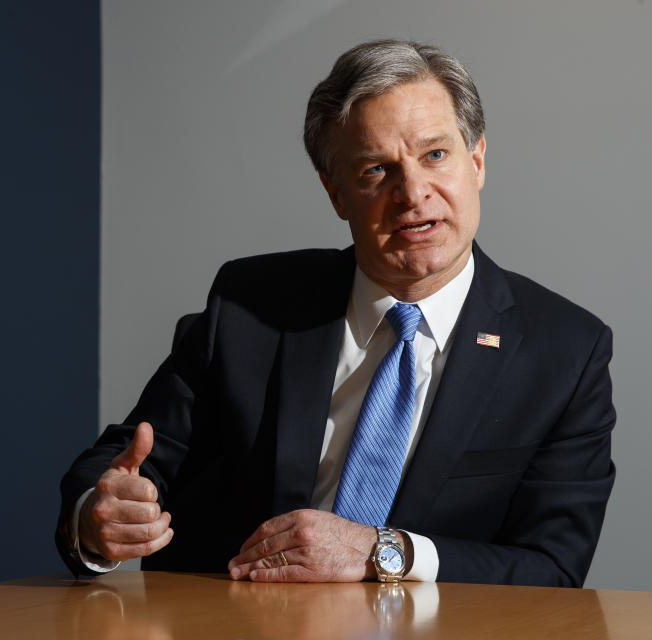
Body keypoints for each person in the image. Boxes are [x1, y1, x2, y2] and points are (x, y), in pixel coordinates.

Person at [56, 39, 615, 586]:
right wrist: (97, 516)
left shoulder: (563, 350)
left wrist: (383, 552)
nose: (412, 192)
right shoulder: (252, 305)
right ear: (336, 194)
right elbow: (127, 458)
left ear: (477, 161)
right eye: (376, 170)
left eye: (435, 155)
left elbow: (554, 566)